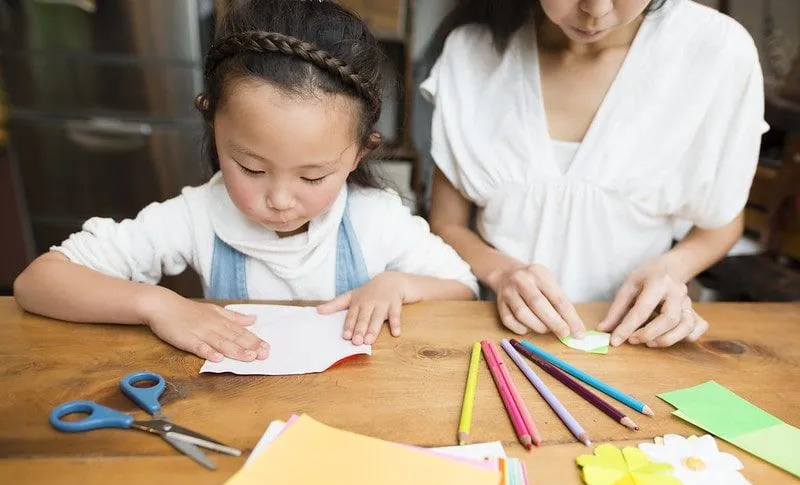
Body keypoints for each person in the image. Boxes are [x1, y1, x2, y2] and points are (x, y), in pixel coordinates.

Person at [13, 0, 477, 363]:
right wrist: (157, 305)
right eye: (251, 169)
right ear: (213, 124)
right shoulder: (196, 216)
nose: (278, 200)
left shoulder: (375, 219)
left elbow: (464, 289)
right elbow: (39, 282)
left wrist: (399, 285)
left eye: (313, 176)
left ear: (359, 154)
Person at [423, 0, 767, 348]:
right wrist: (503, 273)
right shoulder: (471, 49)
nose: (596, 10)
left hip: (631, 340)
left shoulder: (715, 51)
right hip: (495, 339)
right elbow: (447, 222)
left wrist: (671, 269)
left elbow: (723, 221)